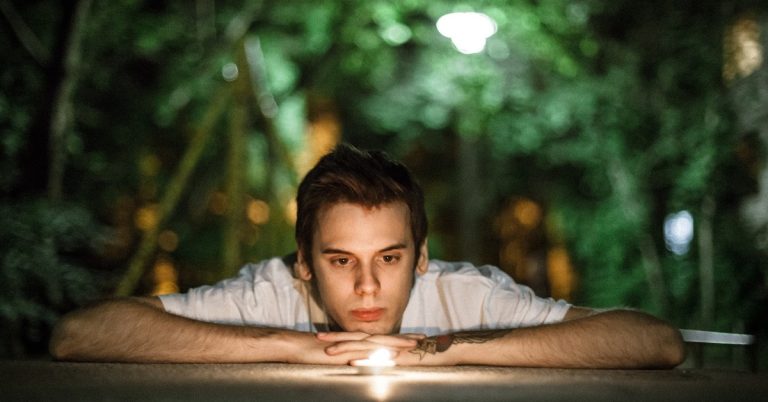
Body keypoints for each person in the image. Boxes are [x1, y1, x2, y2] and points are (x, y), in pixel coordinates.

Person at [50, 144, 685, 368]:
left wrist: (443, 349)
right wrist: (291, 345)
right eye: (339, 260)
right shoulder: (271, 291)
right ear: (303, 262)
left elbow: (655, 343)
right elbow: (80, 335)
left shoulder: (466, 293)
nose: (366, 287)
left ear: (421, 257)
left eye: (388, 257)